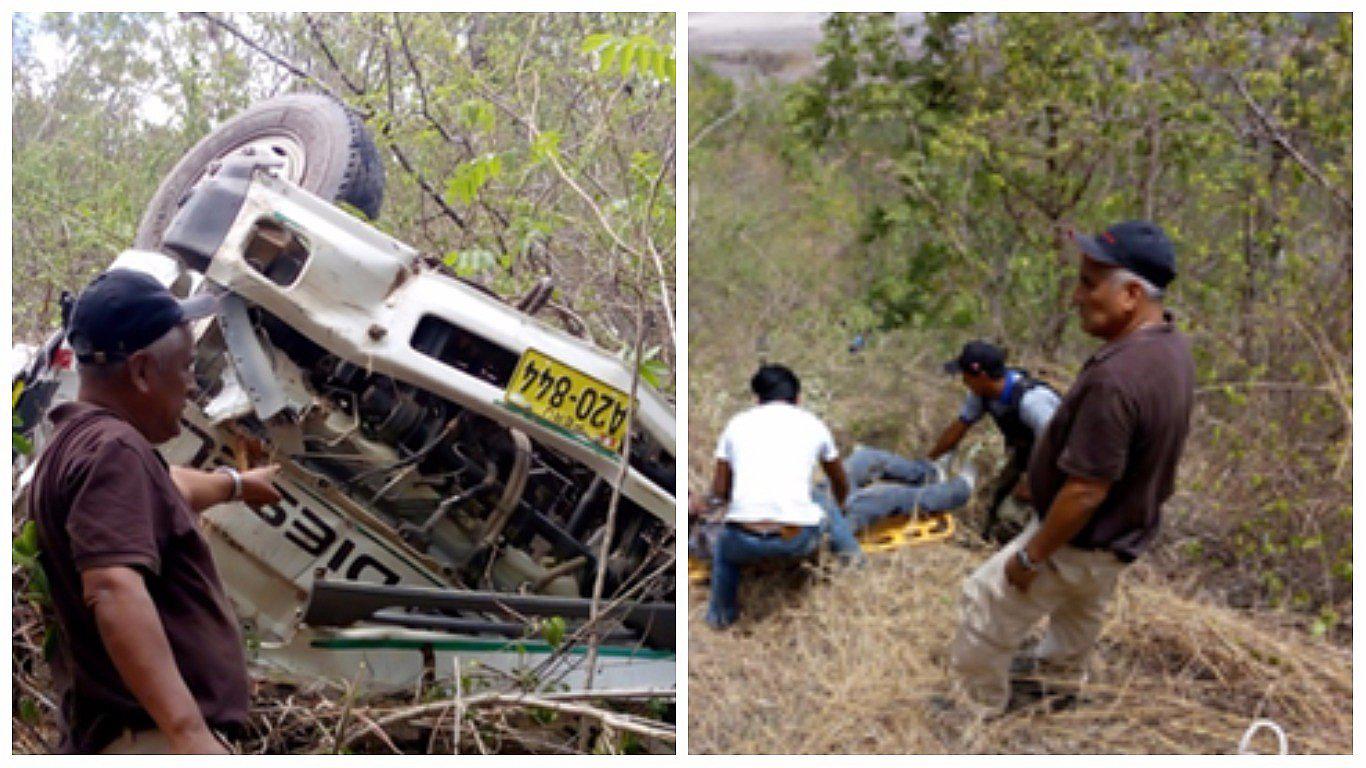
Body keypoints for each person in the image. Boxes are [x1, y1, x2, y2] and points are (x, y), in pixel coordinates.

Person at [29, 269, 282, 754]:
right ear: (142, 371)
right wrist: (189, 734)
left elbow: (169, 489)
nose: (190, 385)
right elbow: (112, 587)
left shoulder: (77, 445)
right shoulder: (115, 450)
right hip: (153, 741)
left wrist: (235, 485)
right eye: (186, 367)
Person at [948, 220, 1195, 715]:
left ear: (1130, 294)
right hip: (1119, 539)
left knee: (984, 601)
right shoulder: (1171, 349)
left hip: (1078, 538)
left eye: (1088, 283)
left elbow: (1086, 490)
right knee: (1080, 612)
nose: (1077, 297)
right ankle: (1057, 685)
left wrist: (1032, 556)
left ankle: (976, 707)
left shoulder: (1117, 379)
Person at [701, 363, 863, 629]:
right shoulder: (813, 424)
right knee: (821, 500)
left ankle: (720, 617)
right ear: (798, 398)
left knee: (724, 554)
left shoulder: (736, 425)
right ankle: (855, 564)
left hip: (743, 541)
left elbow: (719, 491)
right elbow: (839, 481)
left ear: (757, 399)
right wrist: (842, 505)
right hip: (795, 539)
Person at [929, 340, 1060, 542]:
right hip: (1026, 453)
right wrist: (929, 461)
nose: (962, 380)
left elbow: (1056, 444)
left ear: (981, 376)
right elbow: (959, 427)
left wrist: (1032, 483)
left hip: (1059, 458)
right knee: (997, 497)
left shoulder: (1032, 401)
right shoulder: (981, 393)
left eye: (965, 375)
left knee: (1013, 513)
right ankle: (989, 541)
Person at [812, 445, 976, 532]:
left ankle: (930, 474)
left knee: (866, 458)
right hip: (824, 521)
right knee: (886, 496)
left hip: (819, 496)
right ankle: (958, 493)